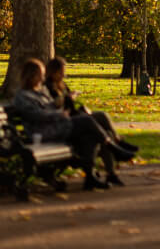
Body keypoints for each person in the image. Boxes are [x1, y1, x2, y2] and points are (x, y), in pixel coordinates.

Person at [13, 58, 135, 189]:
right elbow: (36, 115)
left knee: (90, 136)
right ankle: (113, 147)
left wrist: (57, 105)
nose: (42, 78)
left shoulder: (41, 91)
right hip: (44, 132)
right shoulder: (23, 96)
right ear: (30, 76)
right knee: (87, 120)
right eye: (39, 75)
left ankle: (90, 177)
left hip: (58, 126)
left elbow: (49, 108)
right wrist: (59, 113)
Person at [45, 57, 138, 173]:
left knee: (103, 119)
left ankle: (112, 171)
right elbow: (56, 105)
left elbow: (69, 104)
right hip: (67, 120)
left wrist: (71, 97)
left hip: (74, 116)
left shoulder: (61, 84)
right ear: (53, 72)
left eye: (64, 72)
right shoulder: (48, 86)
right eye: (61, 72)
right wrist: (68, 98)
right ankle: (116, 145)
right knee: (95, 129)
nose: (63, 75)